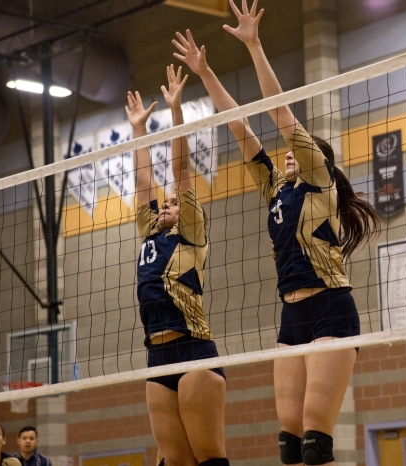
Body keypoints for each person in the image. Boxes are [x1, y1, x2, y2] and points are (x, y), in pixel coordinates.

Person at [173, 1, 380, 463]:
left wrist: (254, 44)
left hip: (331, 310)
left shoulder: (318, 180)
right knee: (287, 446)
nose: (287, 155)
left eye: (296, 151)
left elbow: (279, 114)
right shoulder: (273, 189)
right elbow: (239, 125)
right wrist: (206, 74)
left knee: (314, 444)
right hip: (291, 318)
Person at [126, 64, 229, 466]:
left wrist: (175, 111)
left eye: (173, 202)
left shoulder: (190, 233)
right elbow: (142, 182)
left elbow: (180, 171)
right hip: (156, 355)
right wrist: (138, 129)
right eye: (164, 202)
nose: (167, 204)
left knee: (209, 458)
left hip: (194, 350)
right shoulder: (149, 234)